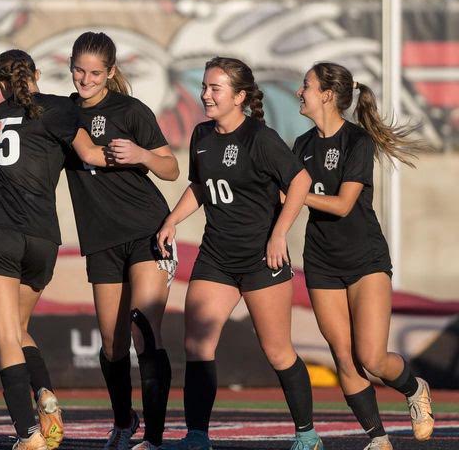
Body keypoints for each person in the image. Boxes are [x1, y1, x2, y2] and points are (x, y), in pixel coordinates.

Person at [157, 57, 321, 450]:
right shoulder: (201, 135)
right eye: (204, 87)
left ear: (239, 96)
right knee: (197, 345)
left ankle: (307, 435)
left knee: (278, 351)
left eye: (215, 88)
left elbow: (301, 181)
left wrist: (279, 232)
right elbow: (199, 187)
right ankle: (197, 436)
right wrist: (171, 220)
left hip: (261, 261)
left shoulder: (259, 138)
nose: (206, 95)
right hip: (216, 258)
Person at [292, 62, 433, 450]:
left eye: (305, 85)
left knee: (371, 357)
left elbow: (341, 204)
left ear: (326, 94)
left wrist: (294, 196)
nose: (298, 92)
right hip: (321, 263)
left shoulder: (357, 142)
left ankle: (413, 386)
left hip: (365, 260)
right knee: (345, 359)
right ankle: (378, 439)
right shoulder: (301, 146)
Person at [0, 49, 109, 450]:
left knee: (5, 334)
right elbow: (89, 155)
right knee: (17, 329)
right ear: (34, 74)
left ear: (1, 83)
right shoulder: (58, 108)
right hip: (42, 237)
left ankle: (27, 433)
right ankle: (45, 393)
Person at [64, 31, 179, 450]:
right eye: (79, 69)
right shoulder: (62, 113)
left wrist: (142, 155)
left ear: (110, 72)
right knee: (112, 343)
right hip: (100, 240)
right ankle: (122, 420)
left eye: (95, 72)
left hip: (146, 229)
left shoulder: (131, 110)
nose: (86, 78)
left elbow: (171, 169)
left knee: (144, 331)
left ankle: (154, 437)